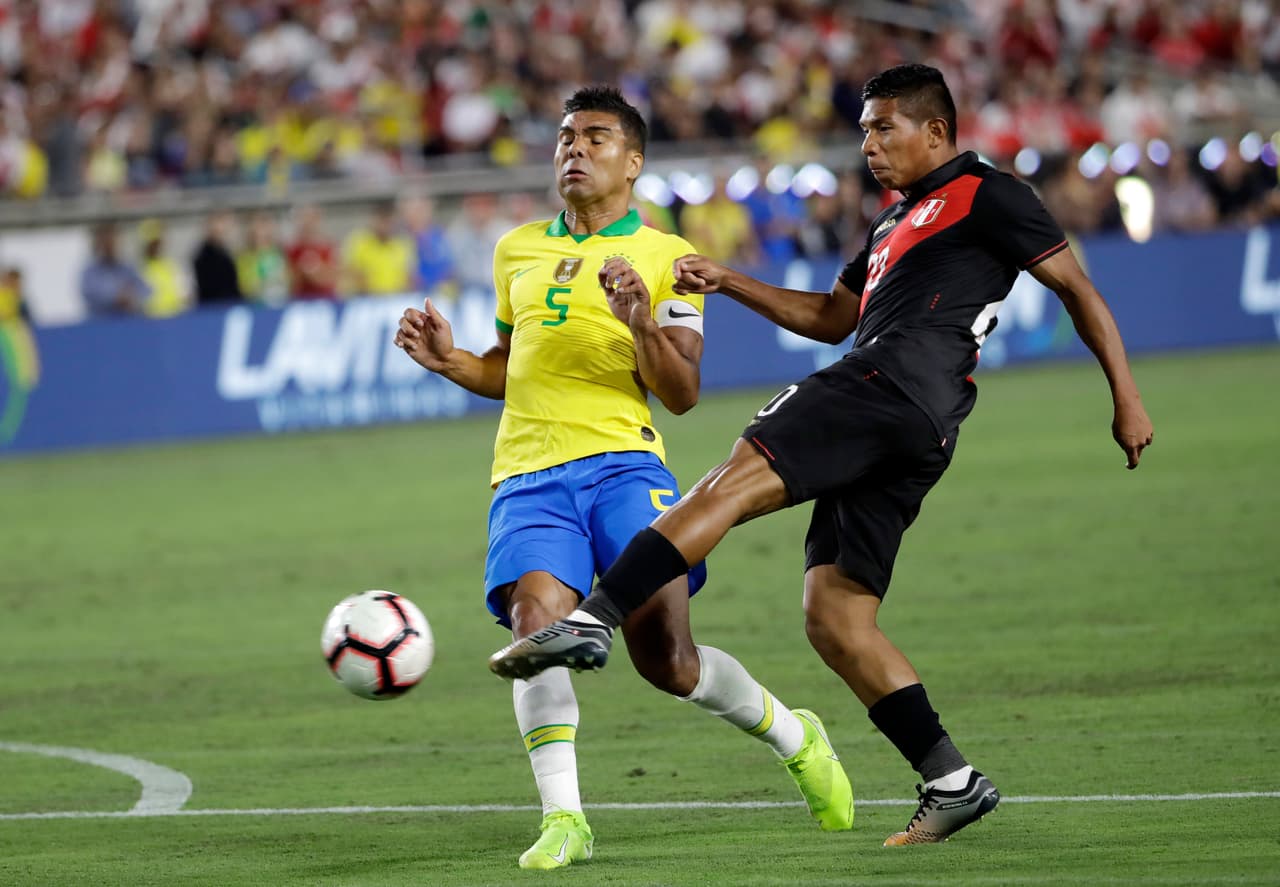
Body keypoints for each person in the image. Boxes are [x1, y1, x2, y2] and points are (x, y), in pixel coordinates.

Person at [489, 64, 1156, 847]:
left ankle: (595, 619)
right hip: (920, 425)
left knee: (730, 480)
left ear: (936, 131)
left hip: (888, 383)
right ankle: (951, 777)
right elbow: (832, 316)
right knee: (833, 612)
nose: (868, 144)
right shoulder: (887, 225)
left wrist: (1126, 396)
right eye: (865, 129)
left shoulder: (986, 191)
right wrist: (732, 281)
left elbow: (1078, 289)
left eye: (884, 128)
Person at [395, 86, 852, 871]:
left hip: (625, 466)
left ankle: (793, 732)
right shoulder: (517, 251)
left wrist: (642, 318)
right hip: (527, 475)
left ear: (633, 162)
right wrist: (452, 362)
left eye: (596, 138)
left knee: (666, 657)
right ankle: (565, 817)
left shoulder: (667, 257)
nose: (574, 149)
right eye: (566, 137)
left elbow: (681, 392)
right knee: (536, 626)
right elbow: (509, 367)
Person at [80, 223, 150, 318]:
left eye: (113, 243)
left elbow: (146, 289)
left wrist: (132, 296)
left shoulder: (127, 268)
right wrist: (115, 297)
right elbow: (89, 294)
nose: (111, 247)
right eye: (107, 244)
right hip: (101, 323)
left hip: (128, 321)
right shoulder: (91, 271)